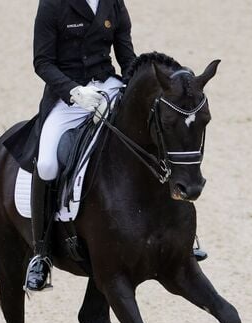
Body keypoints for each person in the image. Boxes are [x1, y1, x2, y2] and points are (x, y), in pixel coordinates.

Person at [23, 0, 205, 293]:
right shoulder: (53, 4)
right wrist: (73, 91)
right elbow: (42, 62)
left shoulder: (112, 2)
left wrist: (132, 89)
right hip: (69, 96)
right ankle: (41, 254)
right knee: (45, 163)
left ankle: (183, 237)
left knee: (153, 134)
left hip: (108, 88)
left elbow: (126, 55)